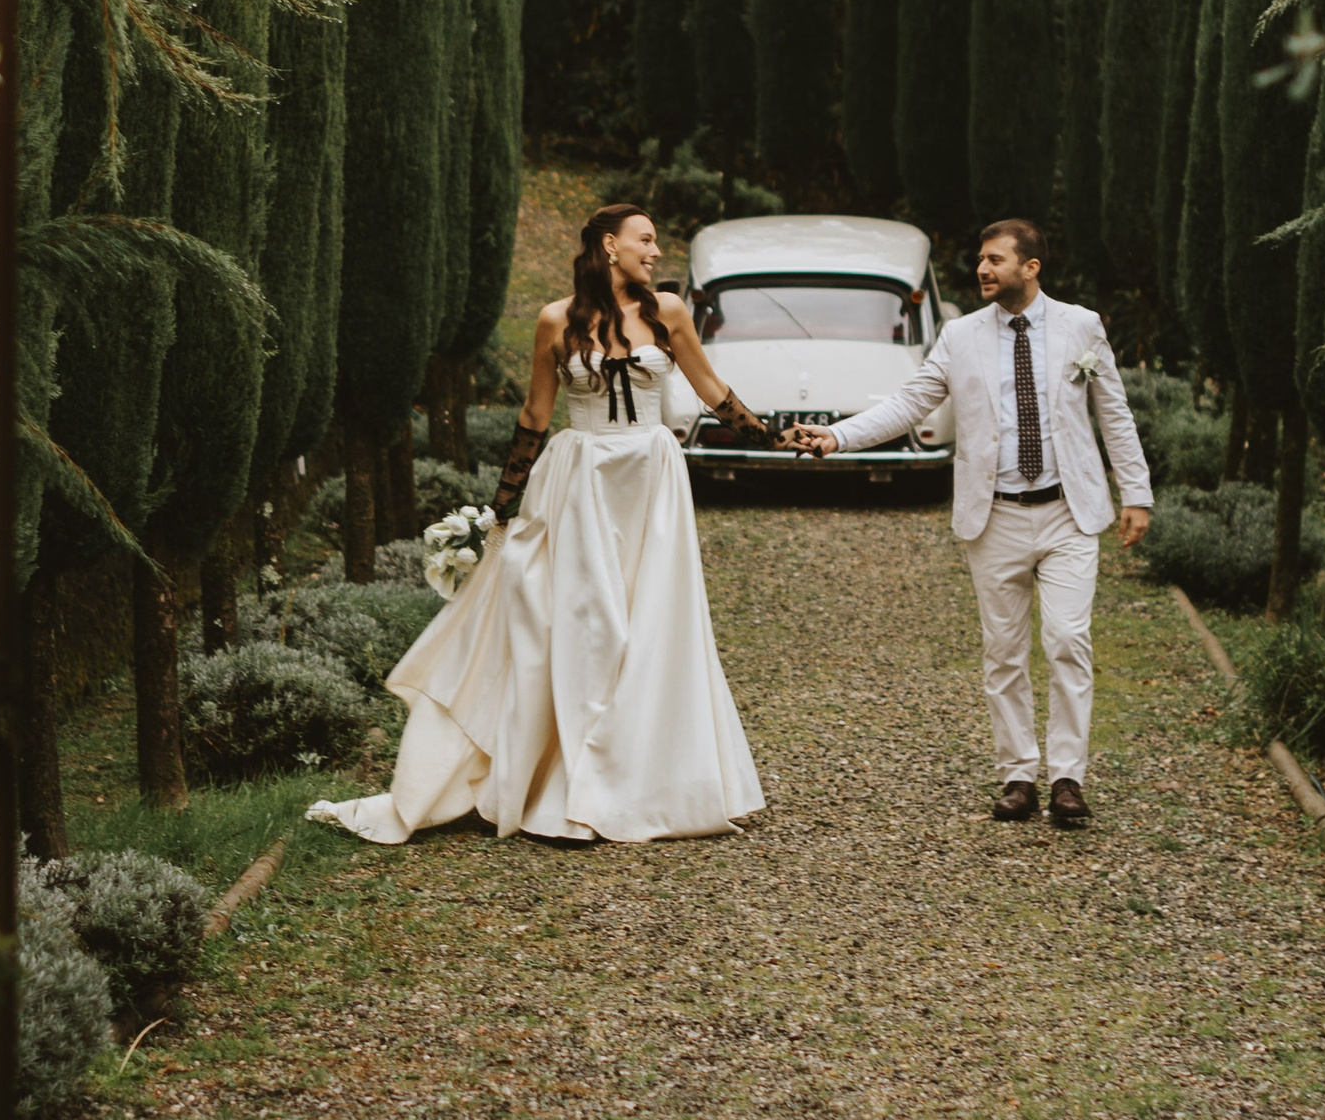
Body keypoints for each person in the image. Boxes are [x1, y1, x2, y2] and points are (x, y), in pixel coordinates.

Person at [309, 204, 776, 844]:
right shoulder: (556, 320)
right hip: (580, 481)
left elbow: (712, 391)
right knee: (587, 623)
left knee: (654, 621)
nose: (655, 251)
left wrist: (775, 440)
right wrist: (502, 505)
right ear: (609, 246)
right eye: (645, 240)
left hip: (651, 479)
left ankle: (645, 781)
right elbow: (535, 414)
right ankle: (573, 780)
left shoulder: (668, 311)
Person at [788, 217, 1150, 830]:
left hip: (1068, 512)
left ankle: (1067, 779)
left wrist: (1136, 492)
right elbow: (910, 402)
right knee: (1003, 652)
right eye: (980, 259)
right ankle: (1018, 776)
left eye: (995, 259)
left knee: (1068, 641)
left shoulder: (1081, 326)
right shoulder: (960, 336)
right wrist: (837, 436)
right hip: (995, 515)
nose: (982, 269)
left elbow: (1113, 413)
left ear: (1031, 267)